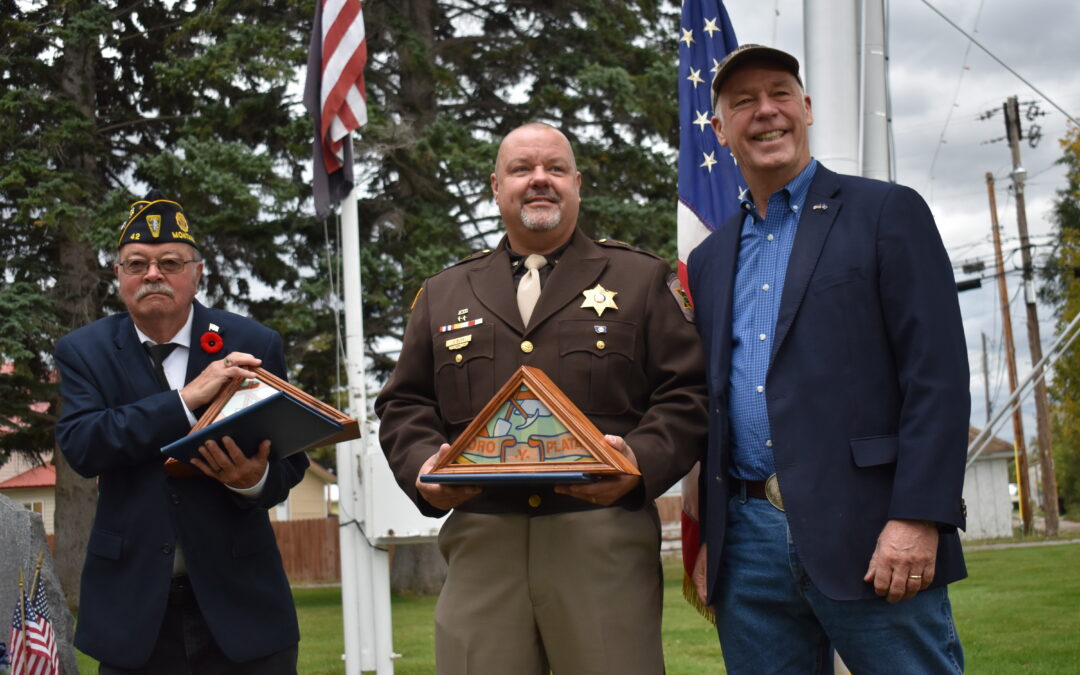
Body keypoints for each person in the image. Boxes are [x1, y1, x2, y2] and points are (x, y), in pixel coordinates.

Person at [375, 122, 707, 674]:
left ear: (577, 183)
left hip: (601, 539)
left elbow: (686, 393)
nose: (539, 181)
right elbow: (404, 403)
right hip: (482, 538)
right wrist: (422, 467)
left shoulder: (640, 279)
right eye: (521, 170)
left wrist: (638, 462)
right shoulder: (444, 293)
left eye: (554, 169)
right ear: (495, 186)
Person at [687, 45, 969, 673]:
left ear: (806, 107)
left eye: (780, 94)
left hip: (873, 531)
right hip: (748, 545)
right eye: (743, 103)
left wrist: (917, 517)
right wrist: (713, 538)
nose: (766, 113)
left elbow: (938, 377)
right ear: (720, 130)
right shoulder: (709, 260)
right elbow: (713, 409)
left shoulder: (887, 213)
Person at [55, 191, 309, 674]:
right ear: (118, 276)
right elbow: (83, 445)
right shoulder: (83, 351)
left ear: (196, 272)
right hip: (134, 615)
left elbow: (289, 461)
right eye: (136, 263)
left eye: (169, 262)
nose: (152, 274)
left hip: (244, 608)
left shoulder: (252, 342)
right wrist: (186, 399)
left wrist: (251, 480)